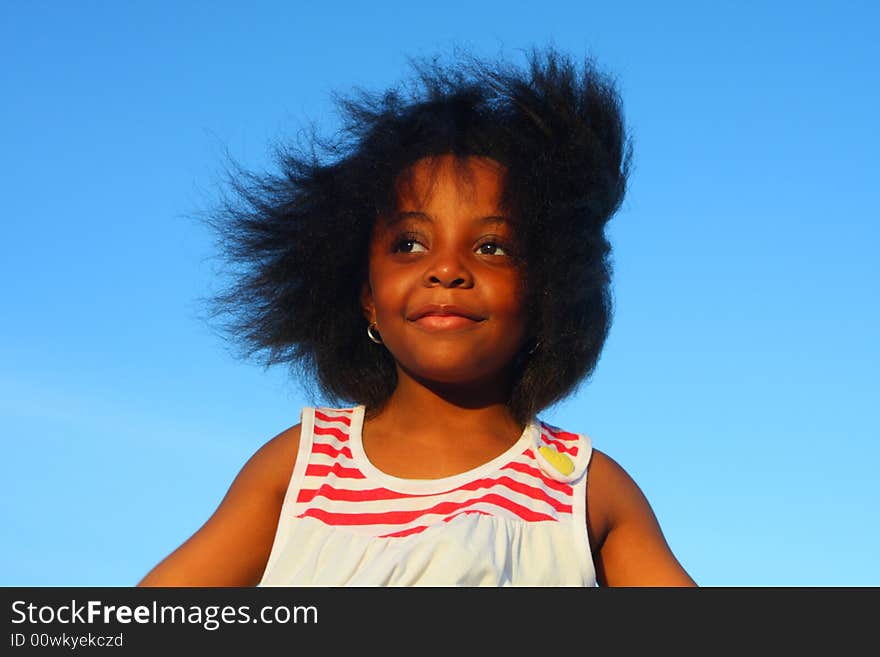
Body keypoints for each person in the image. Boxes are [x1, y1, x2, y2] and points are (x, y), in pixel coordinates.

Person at [138, 46, 696, 587]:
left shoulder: (586, 488)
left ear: (548, 293)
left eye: (492, 247)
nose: (447, 270)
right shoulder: (301, 469)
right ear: (365, 298)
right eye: (409, 244)